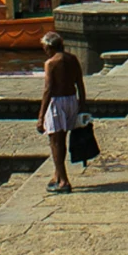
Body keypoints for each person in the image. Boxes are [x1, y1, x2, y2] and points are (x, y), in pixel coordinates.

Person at [38, 32, 87, 195]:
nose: (45, 50)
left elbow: (48, 90)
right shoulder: (72, 59)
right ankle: (57, 175)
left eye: (45, 47)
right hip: (71, 100)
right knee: (62, 139)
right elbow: (80, 83)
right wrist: (82, 103)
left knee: (56, 143)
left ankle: (64, 181)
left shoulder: (51, 63)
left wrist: (41, 117)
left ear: (50, 47)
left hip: (57, 103)